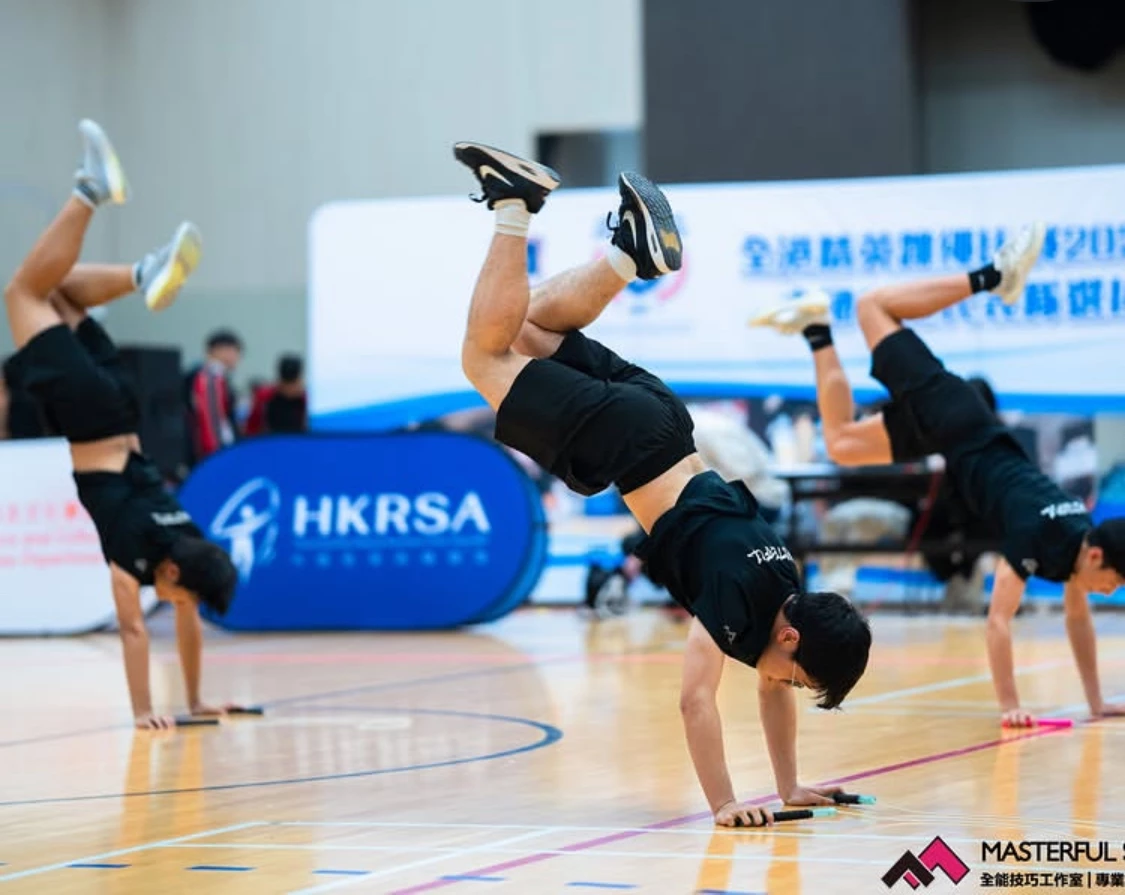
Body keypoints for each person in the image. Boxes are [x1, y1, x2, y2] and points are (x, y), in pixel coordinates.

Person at [452, 142, 872, 827]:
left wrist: (789, 786)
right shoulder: (737, 604)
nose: (790, 687)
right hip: (628, 442)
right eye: (802, 678)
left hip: (663, 417)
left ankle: (627, 256)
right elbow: (695, 699)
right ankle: (512, 201)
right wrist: (725, 803)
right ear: (792, 641)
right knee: (483, 353)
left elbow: (770, 690)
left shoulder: (784, 583)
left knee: (527, 325)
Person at [750, 226, 1125, 728]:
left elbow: (1078, 620)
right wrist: (1010, 705)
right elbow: (997, 622)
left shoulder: (1077, 540)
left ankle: (816, 326)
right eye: (1114, 582)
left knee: (841, 442)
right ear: (1097, 556)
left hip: (953, 434)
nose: (1109, 591)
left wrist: (1097, 704)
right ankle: (994, 275)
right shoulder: (1041, 536)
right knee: (872, 308)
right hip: (955, 417)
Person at [2, 119, 239, 730]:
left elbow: (185, 620)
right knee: (23, 295)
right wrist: (144, 712)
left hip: (121, 407)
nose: (186, 610)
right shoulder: (136, 558)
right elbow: (133, 631)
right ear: (174, 574)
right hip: (88, 416)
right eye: (187, 597)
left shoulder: (185, 533)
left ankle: (143, 274)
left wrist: (194, 703)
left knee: (60, 295)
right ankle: (89, 188)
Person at [185, 329, 242, 462]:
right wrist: (216, 455)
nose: (236, 357)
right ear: (219, 350)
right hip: (214, 453)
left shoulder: (216, 378)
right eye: (235, 351)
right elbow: (211, 420)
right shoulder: (210, 378)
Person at [245, 354, 307, 435]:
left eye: (293, 385)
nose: (290, 390)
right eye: (287, 385)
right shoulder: (264, 397)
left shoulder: (305, 399)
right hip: (271, 442)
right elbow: (252, 427)